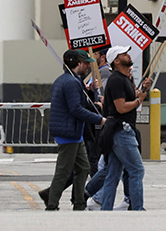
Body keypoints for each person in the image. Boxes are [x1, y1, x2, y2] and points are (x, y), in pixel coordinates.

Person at [42, 49, 105, 211]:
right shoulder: (71, 82)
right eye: (85, 63)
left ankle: (79, 203)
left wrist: (89, 93)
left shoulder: (68, 80)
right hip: (69, 132)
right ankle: (52, 204)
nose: (88, 67)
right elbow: (76, 109)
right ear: (77, 63)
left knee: (83, 168)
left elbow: (77, 104)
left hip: (74, 132)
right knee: (63, 171)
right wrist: (100, 119)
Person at [98, 45, 151, 211]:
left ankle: (106, 209)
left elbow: (131, 95)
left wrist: (142, 91)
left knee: (113, 175)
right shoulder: (115, 80)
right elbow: (121, 107)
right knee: (137, 170)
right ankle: (137, 208)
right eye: (124, 54)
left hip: (118, 130)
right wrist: (139, 101)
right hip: (122, 131)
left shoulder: (124, 78)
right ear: (116, 60)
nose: (129, 56)